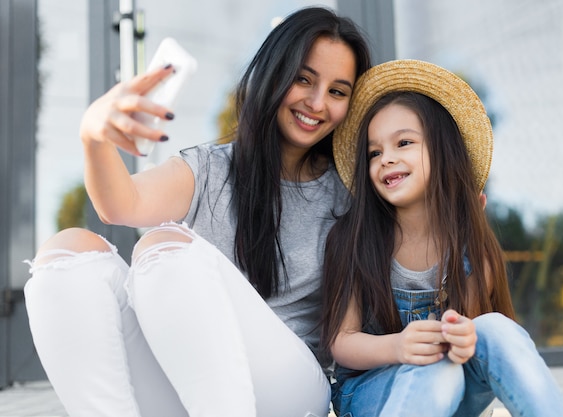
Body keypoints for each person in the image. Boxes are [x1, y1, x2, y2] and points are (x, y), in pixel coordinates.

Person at [24, 7, 371, 417]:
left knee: (164, 245)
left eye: (337, 91)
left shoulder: (351, 193)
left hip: (289, 389)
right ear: (275, 75)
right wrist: (93, 137)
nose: (316, 103)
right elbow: (120, 205)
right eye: (303, 79)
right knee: (67, 253)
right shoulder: (211, 168)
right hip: (192, 387)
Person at [320, 60, 563, 417]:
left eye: (403, 143)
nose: (386, 159)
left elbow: (467, 333)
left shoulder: (471, 247)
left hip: (449, 386)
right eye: (374, 152)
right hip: (372, 391)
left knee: (496, 329)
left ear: (442, 151)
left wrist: (462, 337)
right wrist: (399, 347)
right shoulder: (354, 240)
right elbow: (342, 343)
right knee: (434, 363)